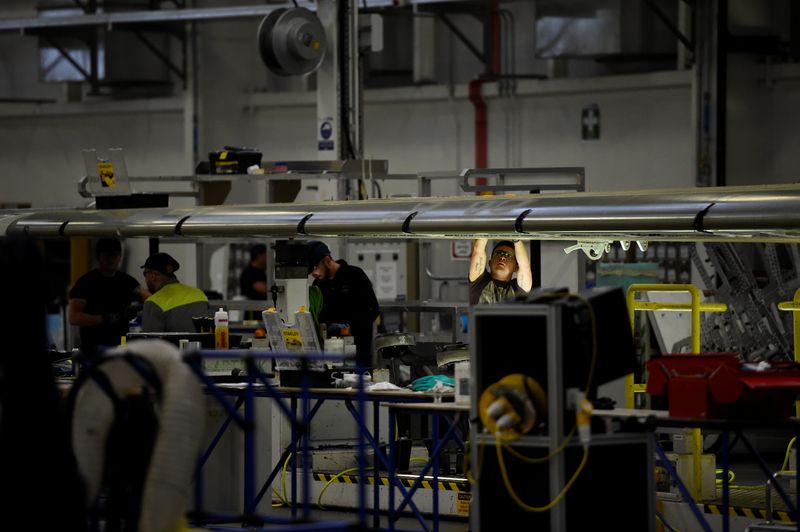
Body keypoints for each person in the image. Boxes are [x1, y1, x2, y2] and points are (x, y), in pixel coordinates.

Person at [69, 238, 150, 360]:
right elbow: (74, 317)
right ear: (98, 256)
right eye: (107, 254)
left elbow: (150, 300)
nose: (112, 258)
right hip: (92, 349)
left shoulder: (126, 281)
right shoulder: (86, 283)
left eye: (115, 254)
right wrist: (103, 319)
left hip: (121, 348)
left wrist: (139, 307)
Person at [307, 240, 380, 366]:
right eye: (311, 271)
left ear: (327, 260)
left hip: (358, 352)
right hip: (330, 352)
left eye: (315, 267)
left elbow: (372, 310)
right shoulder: (318, 285)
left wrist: (349, 326)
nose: (314, 274)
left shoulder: (355, 275)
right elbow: (317, 315)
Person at [140, 252, 209, 333]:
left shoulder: (153, 302)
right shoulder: (199, 294)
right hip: (201, 345)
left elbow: (150, 341)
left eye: (145, 274)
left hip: (172, 346)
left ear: (153, 276)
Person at [469, 239, 533, 305]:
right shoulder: (479, 282)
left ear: (516, 267)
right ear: (490, 263)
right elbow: (478, 250)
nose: (502, 257)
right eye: (498, 253)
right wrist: (487, 229)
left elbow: (525, 266)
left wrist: (516, 239)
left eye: (508, 255)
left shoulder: (518, 290)